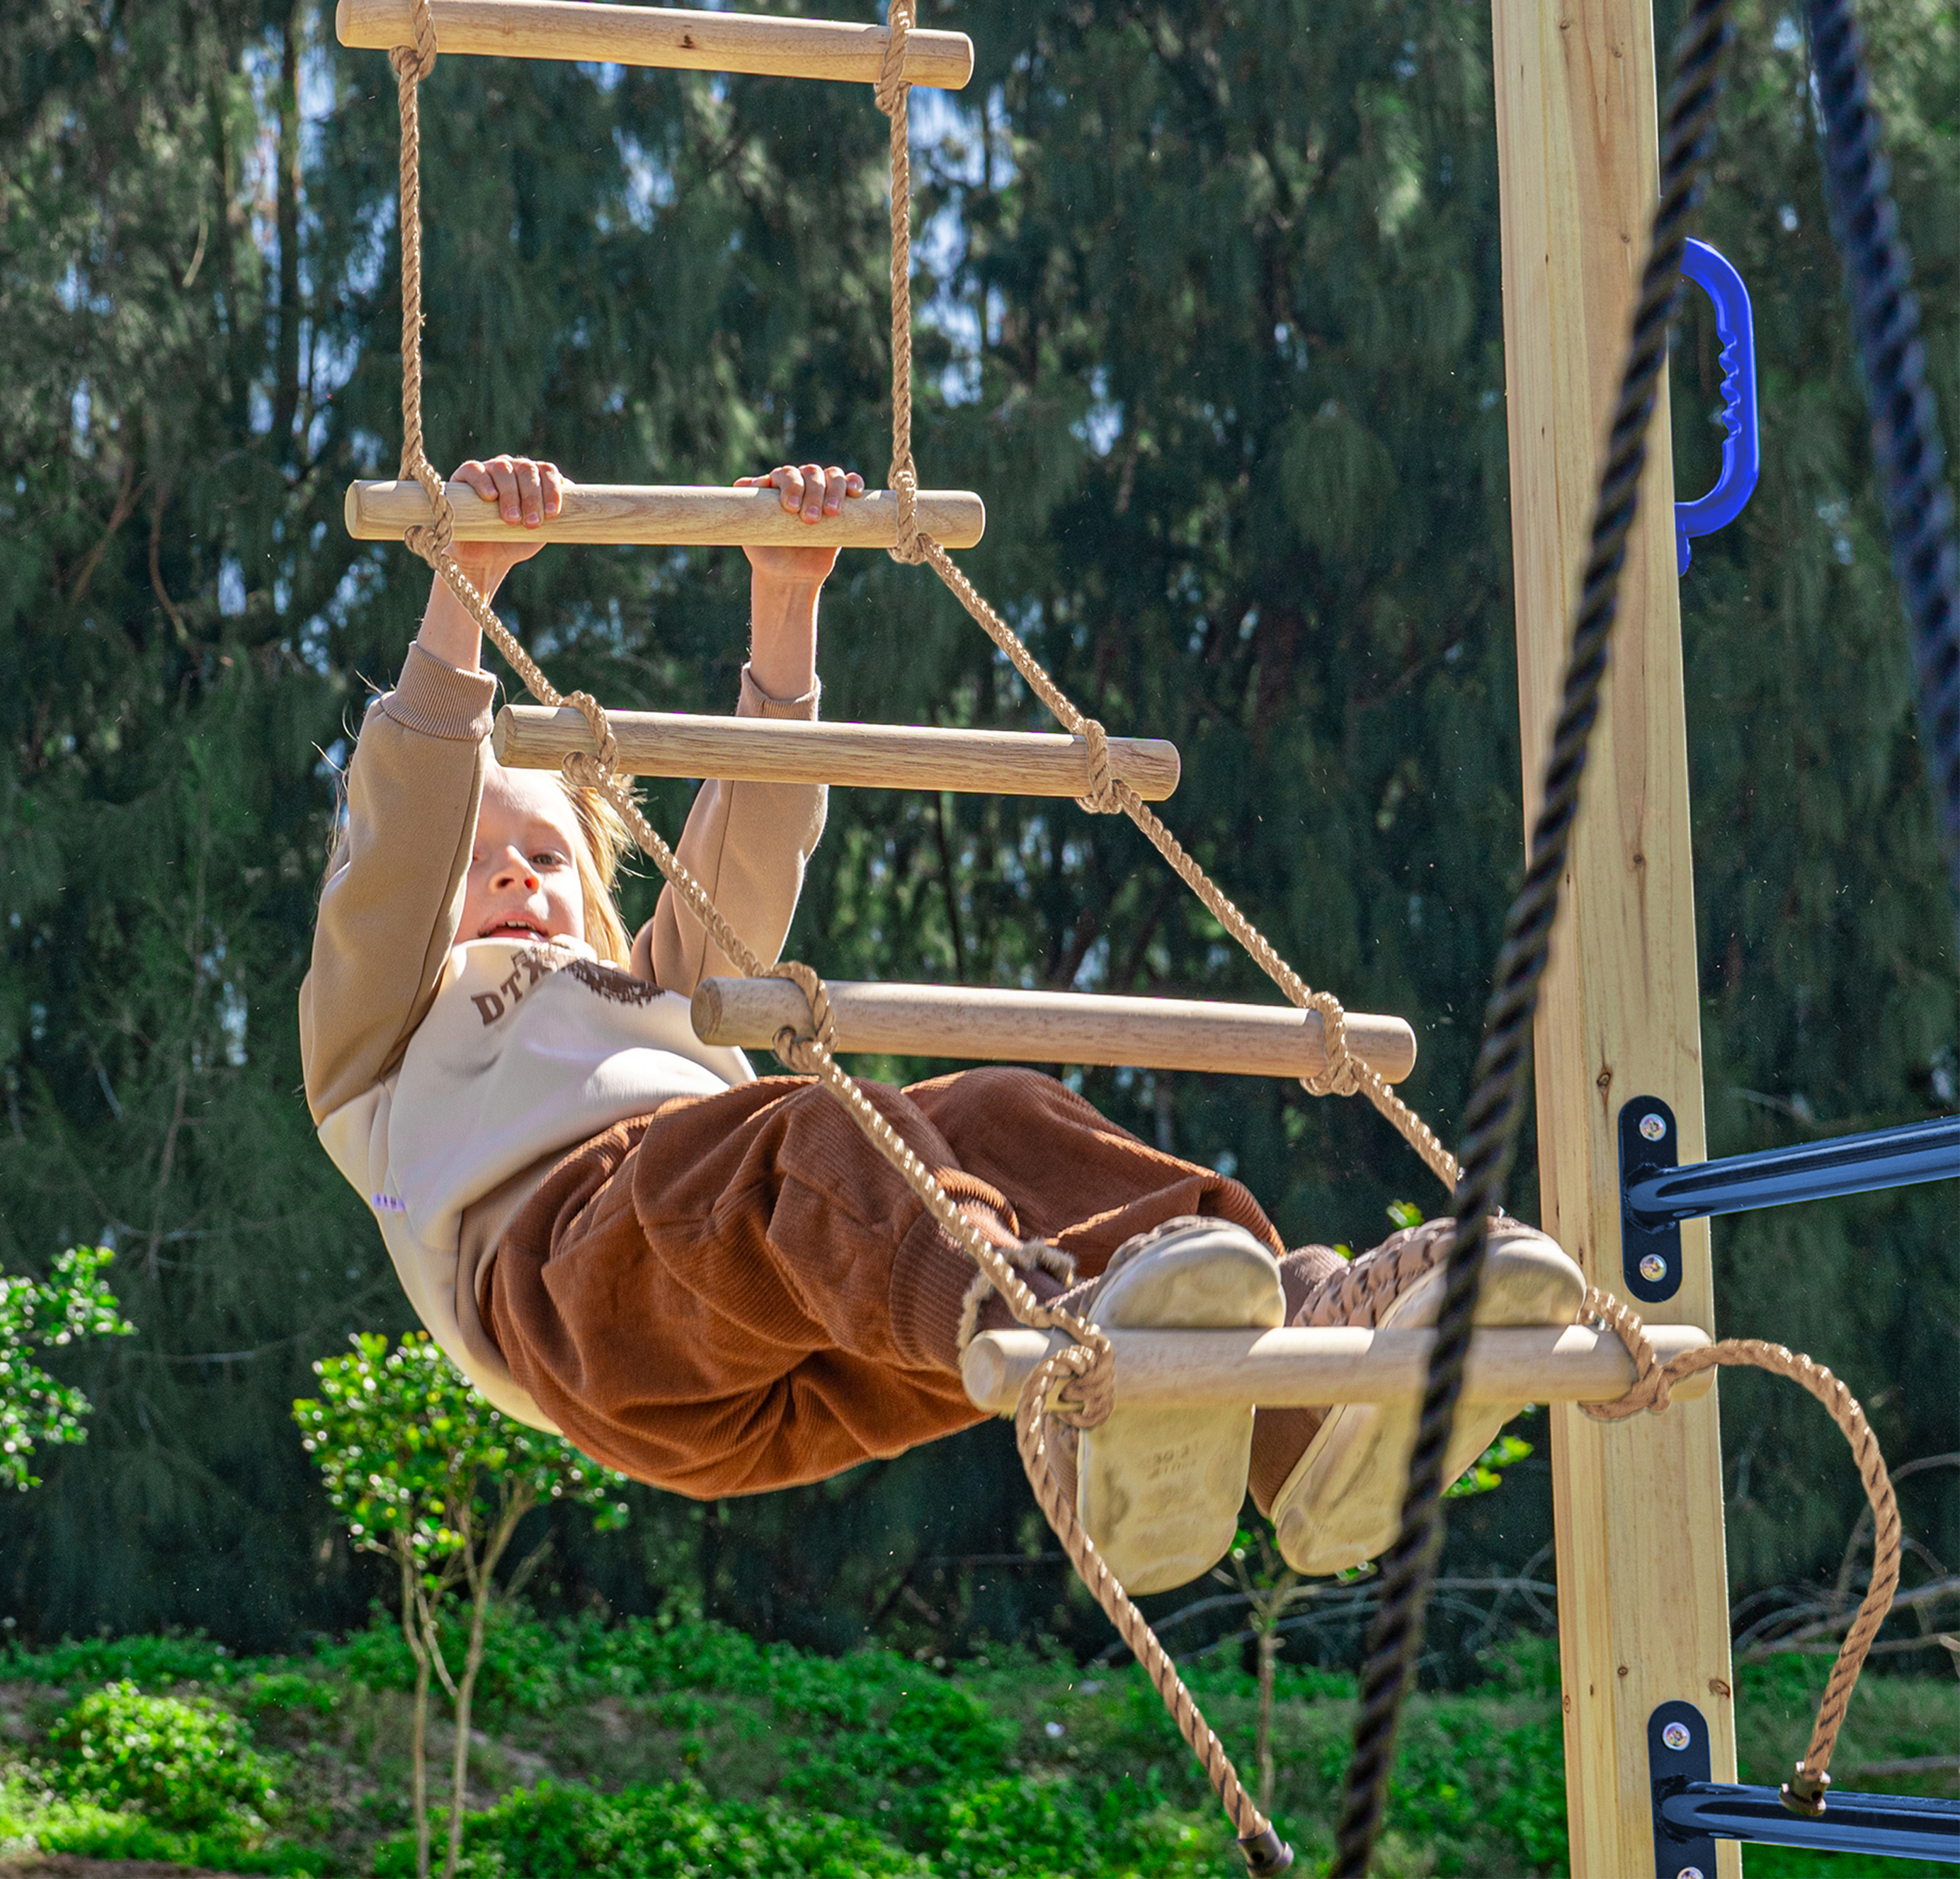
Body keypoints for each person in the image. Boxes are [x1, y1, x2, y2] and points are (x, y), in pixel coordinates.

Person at [301, 455, 1582, 1590]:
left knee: (991, 1113)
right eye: (485, 863)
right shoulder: (391, 1031)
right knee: (813, 1142)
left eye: (544, 855)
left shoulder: (646, 982)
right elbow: (394, 857)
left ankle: (1282, 1385)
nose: (518, 879)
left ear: (599, 887)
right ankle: (1059, 1339)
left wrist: (788, 601)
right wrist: (460, 597)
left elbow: (747, 854)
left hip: (822, 1334)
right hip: (592, 1305)